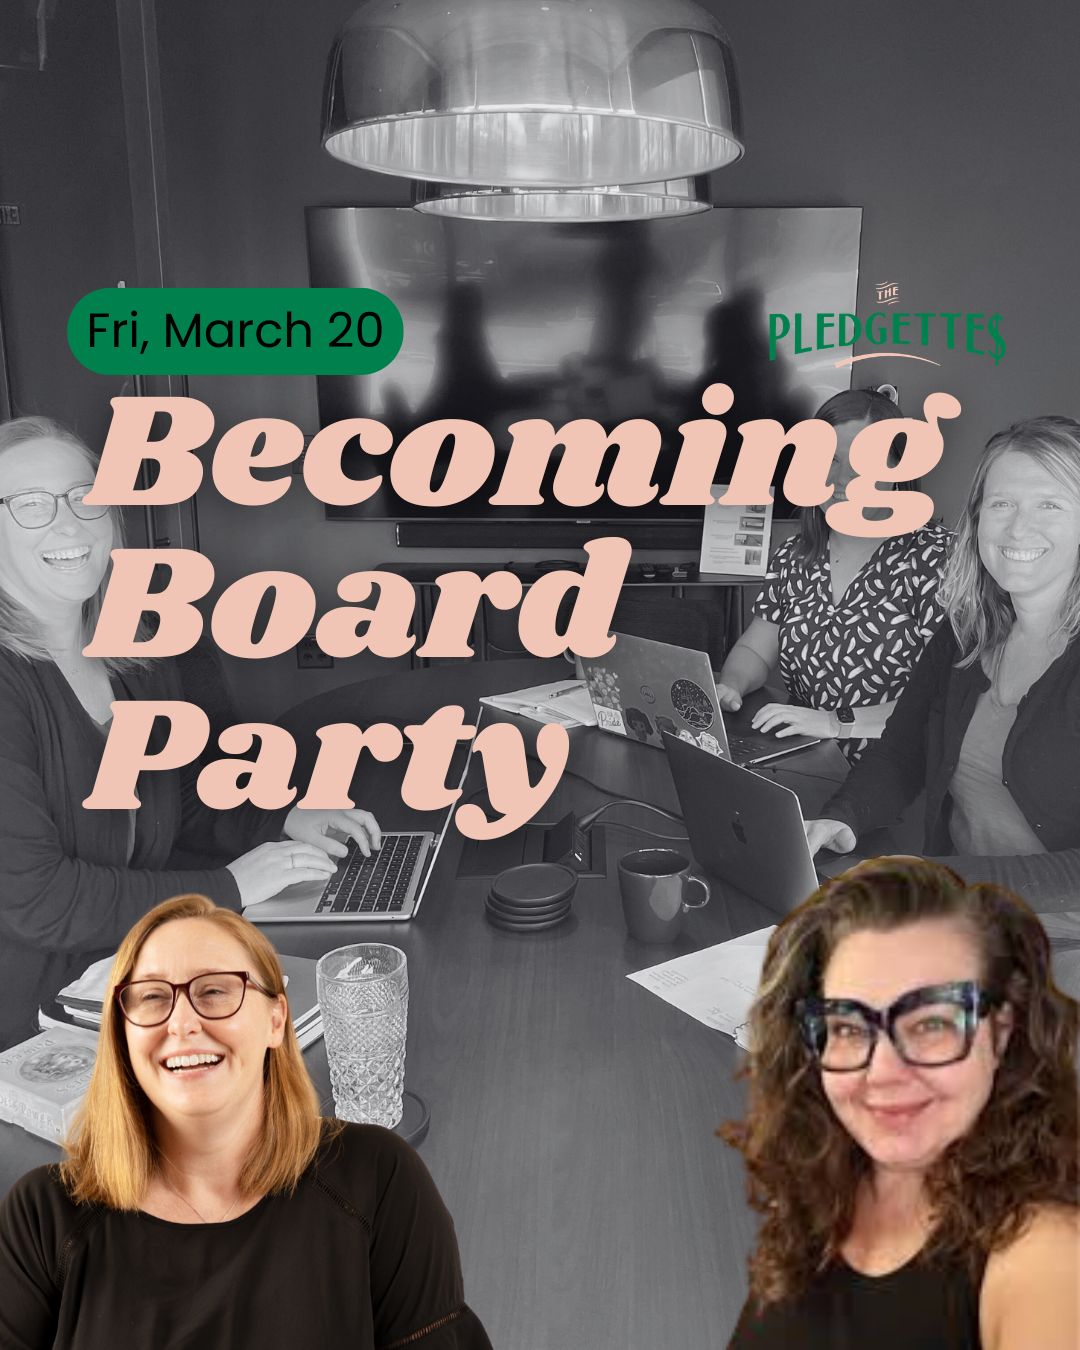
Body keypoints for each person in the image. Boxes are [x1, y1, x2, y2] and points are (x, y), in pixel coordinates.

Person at [0, 416, 381, 1050]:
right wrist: (230, 887)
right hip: (34, 1030)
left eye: (83, 496)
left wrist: (281, 823)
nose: (68, 524)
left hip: (130, 974)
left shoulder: (131, 650)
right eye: (30, 506)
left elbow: (176, 804)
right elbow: (39, 898)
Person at [0, 894, 493, 1349]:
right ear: (121, 1036)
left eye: (215, 991)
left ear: (277, 1019)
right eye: (151, 997)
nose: (182, 1022)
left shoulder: (379, 1179)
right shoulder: (40, 1217)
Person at [720, 857, 1078, 1350]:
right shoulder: (834, 1178)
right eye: (848, 1026)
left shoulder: (1043, 1262)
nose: (882, 1073)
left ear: (1000, 1032)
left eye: (930, 1024)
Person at [805, 415, 1080, 995]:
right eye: (1000, 504)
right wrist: (842, 817)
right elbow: (901, 751)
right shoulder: (964, 635)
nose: (1018, 526)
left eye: (1050, 505)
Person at [715, 388, 951, 760]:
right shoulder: (794, 556)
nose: (844, 478)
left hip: (894, 773)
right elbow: (755, 650)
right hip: (801, 757)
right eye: (830, 459)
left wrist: (833, 722)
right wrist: (731, 685)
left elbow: (944, 700)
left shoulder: (939, 559)